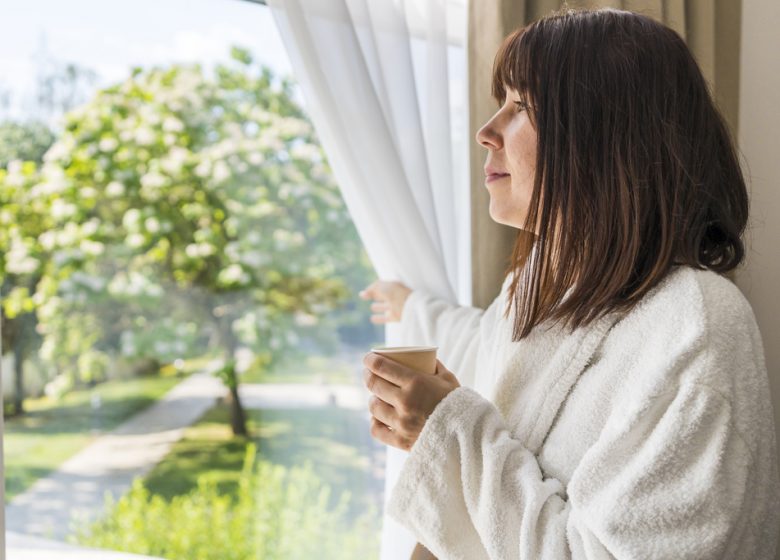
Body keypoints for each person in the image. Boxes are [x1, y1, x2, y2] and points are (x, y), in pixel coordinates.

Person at [359, 7, 780, 560]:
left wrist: (449, 428)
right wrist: (413, 317)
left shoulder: (696, 323)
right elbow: (489, 359)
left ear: (606, 132)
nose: (486, 132)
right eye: (497, 104)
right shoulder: (532, 292)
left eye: (521, 106)